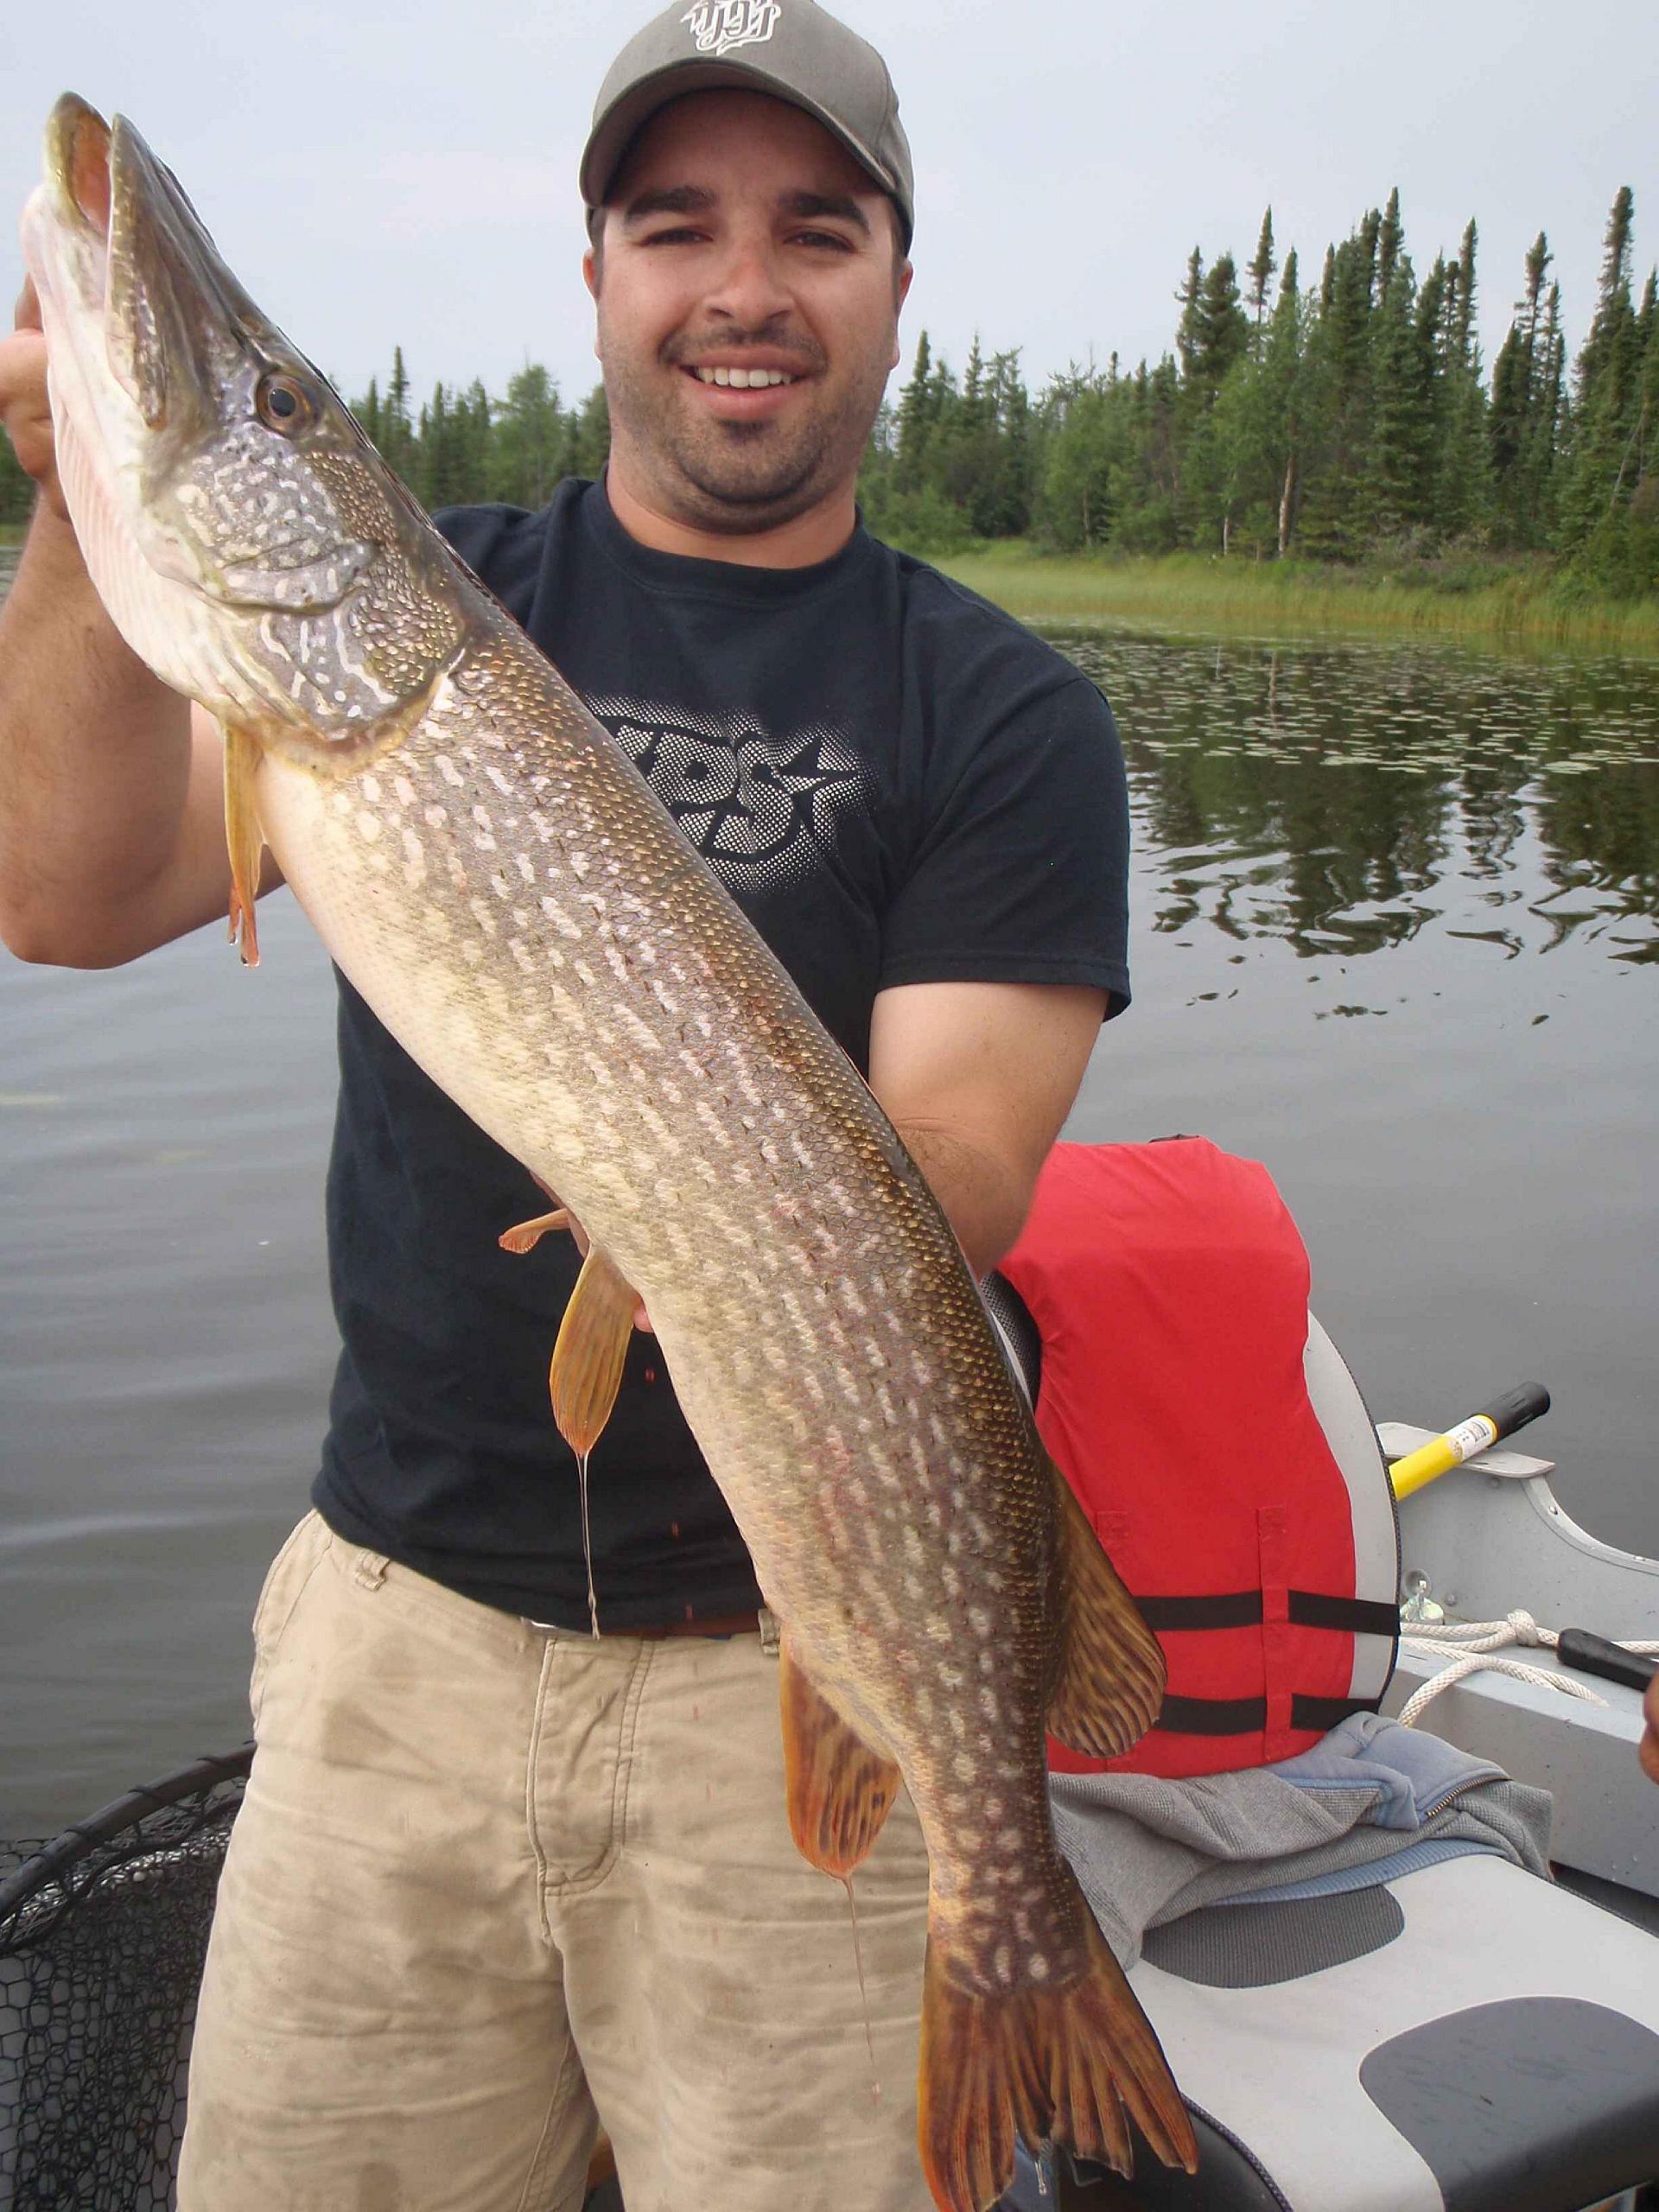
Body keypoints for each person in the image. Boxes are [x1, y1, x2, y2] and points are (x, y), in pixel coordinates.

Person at [0, 5, 1131, 2207]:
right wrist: (81, 494)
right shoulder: (420, 637)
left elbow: (966, 1168)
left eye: (816, 227)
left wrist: (684, 1171)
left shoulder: (1004, 711)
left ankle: (1016, 1943)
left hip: (789, 1657)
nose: (744, 284)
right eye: (675, 223)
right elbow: (53, 895)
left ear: (899, 281)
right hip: (390, 1654)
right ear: (600, 274)